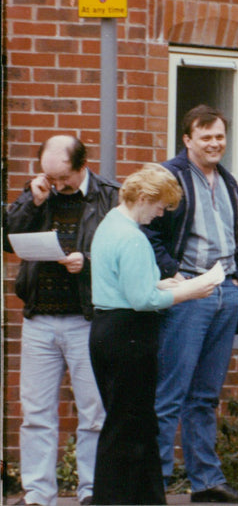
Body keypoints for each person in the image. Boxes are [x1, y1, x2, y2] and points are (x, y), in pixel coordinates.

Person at [144, 105, 238, 503]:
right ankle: (151, 483)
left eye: (219, 136)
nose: (214, 143)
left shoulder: (227, 180)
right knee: (170, 392)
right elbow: (148, 231)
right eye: (205, 137)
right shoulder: (168, 177)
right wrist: (176, 274)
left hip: (225, 293)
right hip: (188, 295)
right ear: (187, 140)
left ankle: (206, 482)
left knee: (206, 395)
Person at [89, 164, 219, 505]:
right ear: (144, 198)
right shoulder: (132, 237)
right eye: (160, 206)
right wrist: (191, 290)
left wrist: (165, 283)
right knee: (130, 427)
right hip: (129, 335)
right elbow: (142, 299)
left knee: (129, 424)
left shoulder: (110, 225)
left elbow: (126, 284)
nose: (161, 214)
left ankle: (138, 499)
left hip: (108, 329)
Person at [4, 135, 118, 506]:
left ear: (82, 166)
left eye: (63, 178)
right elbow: (8, 239)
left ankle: (92, 490)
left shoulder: (107, 196)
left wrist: (87, 260)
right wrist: (30, 201)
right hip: (39, 316)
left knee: (94, 412)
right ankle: (38, 493)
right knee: (35, 413)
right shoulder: (38, 192)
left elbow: (121, 250)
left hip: (86, 318)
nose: (56, 185)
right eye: (49, 177)